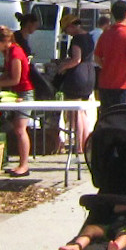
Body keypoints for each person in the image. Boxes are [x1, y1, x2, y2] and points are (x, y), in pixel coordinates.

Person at [0, 25, 33, 177]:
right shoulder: (8, 52)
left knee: (21, 130)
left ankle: (24, 165)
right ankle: (18, 163)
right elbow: (6, 73)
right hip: (15, 93)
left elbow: (15, 79)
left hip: (24, 93)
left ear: (4, 41)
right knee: (15, 128)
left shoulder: (16, 52)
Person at [51, 11, 97, 153]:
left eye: (66, 30)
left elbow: (76, 59)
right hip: (89, 74)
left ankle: (79, 145)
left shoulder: (77, 39)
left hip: (78, 76)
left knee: (74, 113)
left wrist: (62, 67)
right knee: (82, 112)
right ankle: (84, 144)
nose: (67, 33)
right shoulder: (89, 37)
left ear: (71, 26)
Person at [95, 0, 126, 112]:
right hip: (121, 84)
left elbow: (96, 57)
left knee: (106, 114)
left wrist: (107, 66)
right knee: (119, 115)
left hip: (104, 82)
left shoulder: (105, 34)